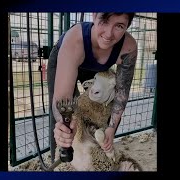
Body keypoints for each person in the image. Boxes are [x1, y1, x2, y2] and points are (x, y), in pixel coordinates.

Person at [47, 12, 138, 161]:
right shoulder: (74, 40)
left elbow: (121, 93)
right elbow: (63, 100)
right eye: (104, 20)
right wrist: (65, 125)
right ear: (94, 15)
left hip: (95, 69)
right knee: (63, 123)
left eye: (119, 26)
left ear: (127, 26)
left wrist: (111, 129)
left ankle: (96, 156)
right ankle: (58, 161)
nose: (108, 34)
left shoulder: (128, 47)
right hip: (65, 58)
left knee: (105, 103)